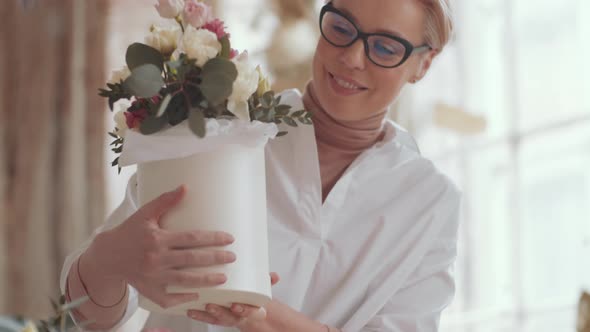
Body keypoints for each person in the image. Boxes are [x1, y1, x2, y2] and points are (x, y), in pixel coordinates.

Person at [60, 0, 460, 331]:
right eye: (341, 27)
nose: (352, 57)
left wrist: (263, 315)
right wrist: (109, 257)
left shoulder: (429, 201)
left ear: (423, 64)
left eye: (386, 48)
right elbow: (81, 316)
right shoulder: (222, 126)